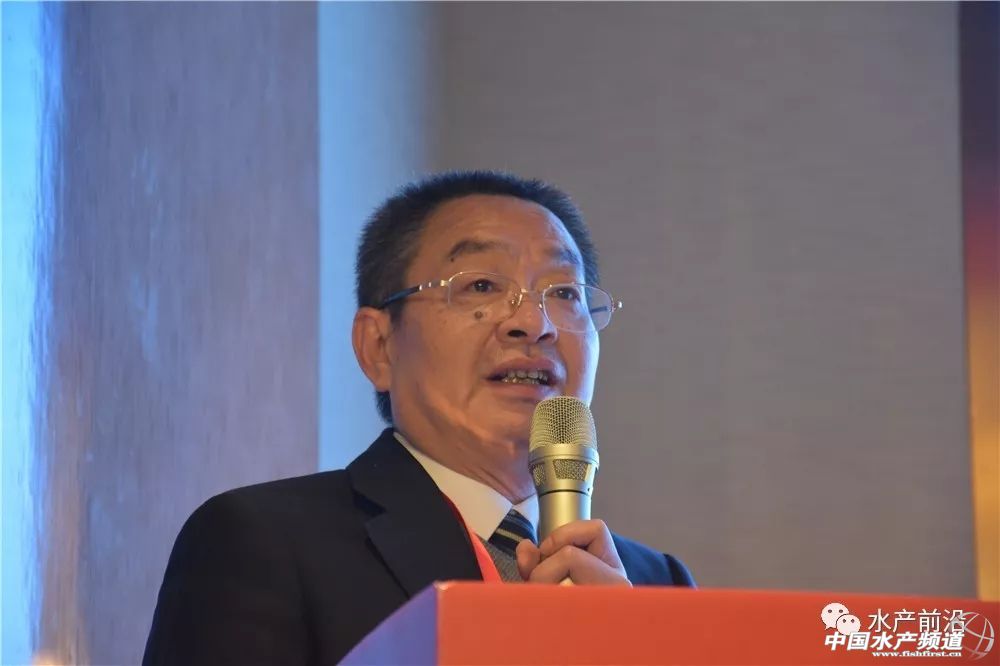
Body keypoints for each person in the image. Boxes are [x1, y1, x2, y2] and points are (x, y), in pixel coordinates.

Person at [142, 171, 694, 666]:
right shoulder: (264, 544)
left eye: (565, 292)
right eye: (481, 286)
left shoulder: (657, 586)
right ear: (379, 346)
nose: (534, 322)